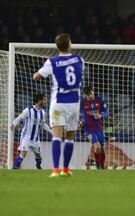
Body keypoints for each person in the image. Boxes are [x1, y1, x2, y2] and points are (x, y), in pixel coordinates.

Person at [33, 33, 84, 177]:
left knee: (56, 136)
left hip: (58, 103)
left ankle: (55, 170)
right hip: (74, 102)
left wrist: (37, 74)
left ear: (57, 46)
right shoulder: (79, 60)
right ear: (69, 44)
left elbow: (37, 77)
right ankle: (65, 169)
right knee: (70, 137)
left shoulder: (52, 62)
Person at [10, 94, 52, 169]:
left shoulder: (42, 112)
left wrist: (52, 132)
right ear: (39, 101)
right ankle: (14, 168)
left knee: (38, 155)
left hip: (35, 139)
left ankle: (38, 166)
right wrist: (13, 124)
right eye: (44, 100)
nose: (45, 101)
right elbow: (19, 117)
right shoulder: (28, 110)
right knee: (23, 153)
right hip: (26, 137)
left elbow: (43, 124)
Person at [80, 86, 109, 169]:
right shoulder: (83, 102)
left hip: (99, 128)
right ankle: (98, 166)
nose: (90, 96)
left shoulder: (99, 100)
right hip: (89, 129)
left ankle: (102, 167)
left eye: (91, 93)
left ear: (93, 91)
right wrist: (81, 121)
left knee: (102, 148)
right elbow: (81, 114)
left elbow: (107, 112)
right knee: (97, 147)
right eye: (88, 95)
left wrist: (100, 115)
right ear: (85, 95)